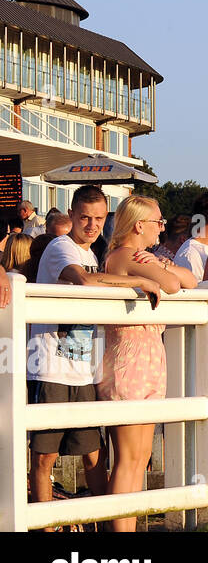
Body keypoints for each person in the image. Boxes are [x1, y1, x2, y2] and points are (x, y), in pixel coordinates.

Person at [27, 185, 161, 523]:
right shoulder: (61, 247)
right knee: (45, 457)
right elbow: (84, 282)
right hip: (51, 366)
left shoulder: (93, 253)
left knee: (94, 454)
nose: (92, 225)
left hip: (84, 368)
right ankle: (44, 528)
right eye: (85, 217)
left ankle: (103, 524)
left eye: (99, 218)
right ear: (71, 215)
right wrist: (137, 285)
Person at [100, 195, 196, 531]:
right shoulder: (125, 256)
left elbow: (191, 280)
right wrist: (161, 268)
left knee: (139, 459)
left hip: (147, 358)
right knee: (128, 459)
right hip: (130, 360)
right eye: (158, 221)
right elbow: (172, 285)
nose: (162, 227)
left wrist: (162, 263)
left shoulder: (143, 256)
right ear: (140, 225)